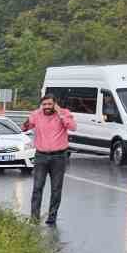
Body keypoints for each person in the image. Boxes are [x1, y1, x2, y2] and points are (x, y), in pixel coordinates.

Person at [22, 93, 77, 225]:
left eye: (49, 104)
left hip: (59, 156)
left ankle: (52, 218)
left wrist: (61, 113)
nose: (46, 107)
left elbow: (73, 127)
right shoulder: (37, 114)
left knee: (56, 188)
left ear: (55, 104)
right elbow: (24, 127)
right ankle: (34, 218)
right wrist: (27, 122)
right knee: (37, 187)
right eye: (44, 104)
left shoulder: (64, 113)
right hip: (41, 156)